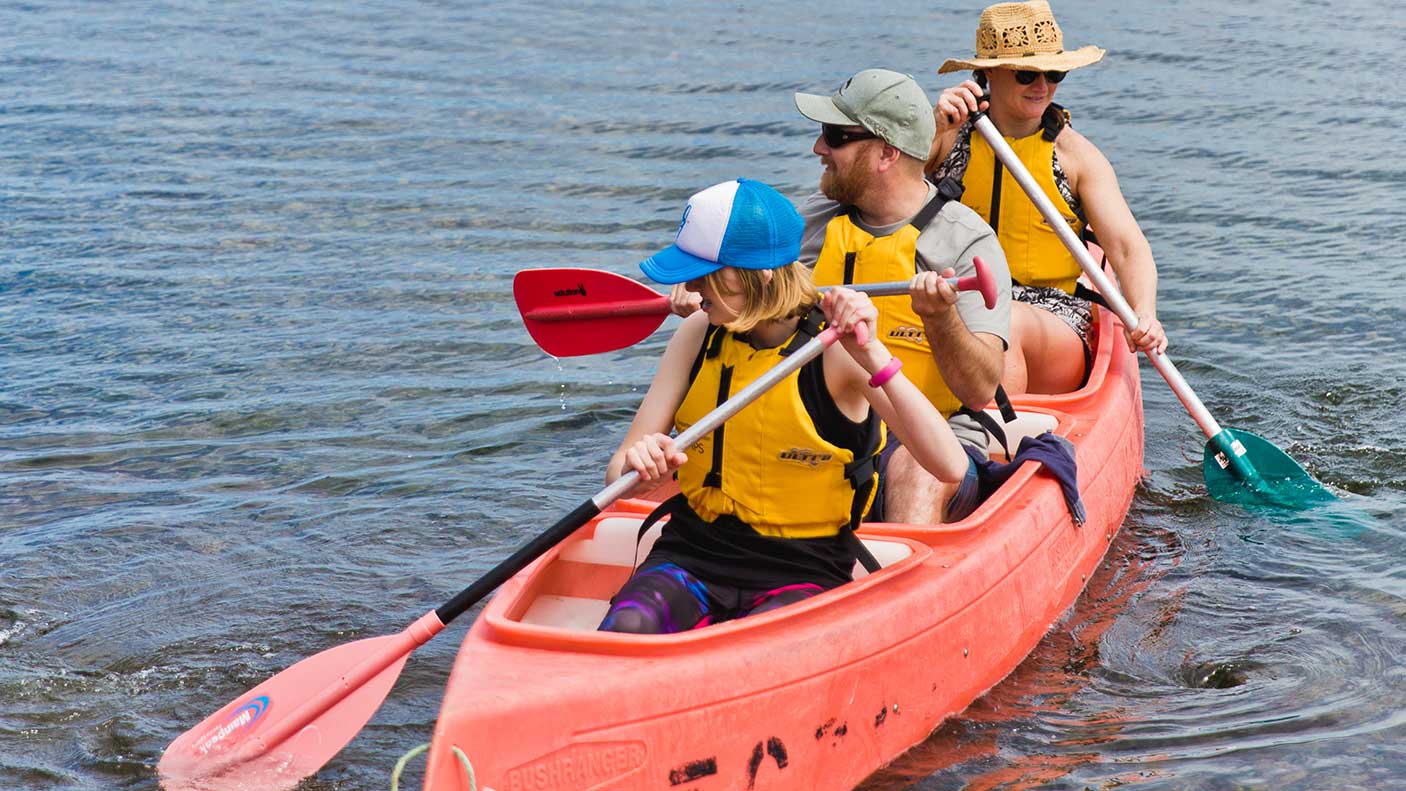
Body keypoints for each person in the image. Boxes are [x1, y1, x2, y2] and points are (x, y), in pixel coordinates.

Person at [599, 178, 972, 635]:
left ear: (755, 275)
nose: (689, 286)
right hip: (692, 554)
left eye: (702, 272)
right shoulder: (698, 334)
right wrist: (638, 469)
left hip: (802, 569)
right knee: (626, 629)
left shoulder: (835, 351)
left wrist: (874, 354)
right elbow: (617, 473)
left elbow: (949, 464)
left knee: (756, 646)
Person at [791, 68, 1013, 525]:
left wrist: (942, 320)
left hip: (930, 437)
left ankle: (907, 581)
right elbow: (753, 300)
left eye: (835, 136)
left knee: (919, 467)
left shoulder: (966, 242)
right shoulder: (812, 220)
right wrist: (710, 293)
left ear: (887, 154)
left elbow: (979, 389)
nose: (819, 149)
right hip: (820, 425)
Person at [928, 0, 1166, 395]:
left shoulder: (1076, 157)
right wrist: (929, 127)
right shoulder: (946, 138)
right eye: (1026, 74)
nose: (1043, 87)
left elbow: (1127, 249)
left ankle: (999, 442)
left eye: (1054, 73)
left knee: (1006, 324)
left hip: (1048, 312)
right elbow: (881, 190)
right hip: (950, 303)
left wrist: (1144, 313)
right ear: (988, 73)